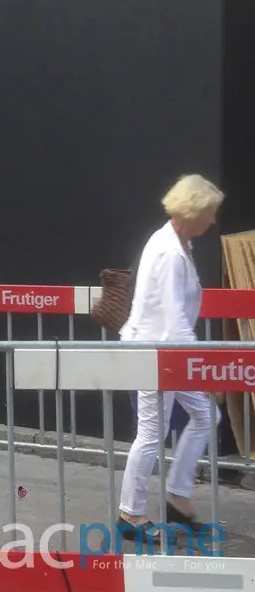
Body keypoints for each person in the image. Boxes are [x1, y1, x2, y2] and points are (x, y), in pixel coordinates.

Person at [118, 174, 225, 541]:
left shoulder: (176, 244)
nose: (212, 221)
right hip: (155, 351)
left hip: (164, 350)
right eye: (209, 213)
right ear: (193, 212)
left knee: (204, 415)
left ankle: (176, 499)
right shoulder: (169, 251)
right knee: (153, 432)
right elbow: (175, 319)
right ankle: (130, 514)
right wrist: (208, 372)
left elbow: (176, 319)